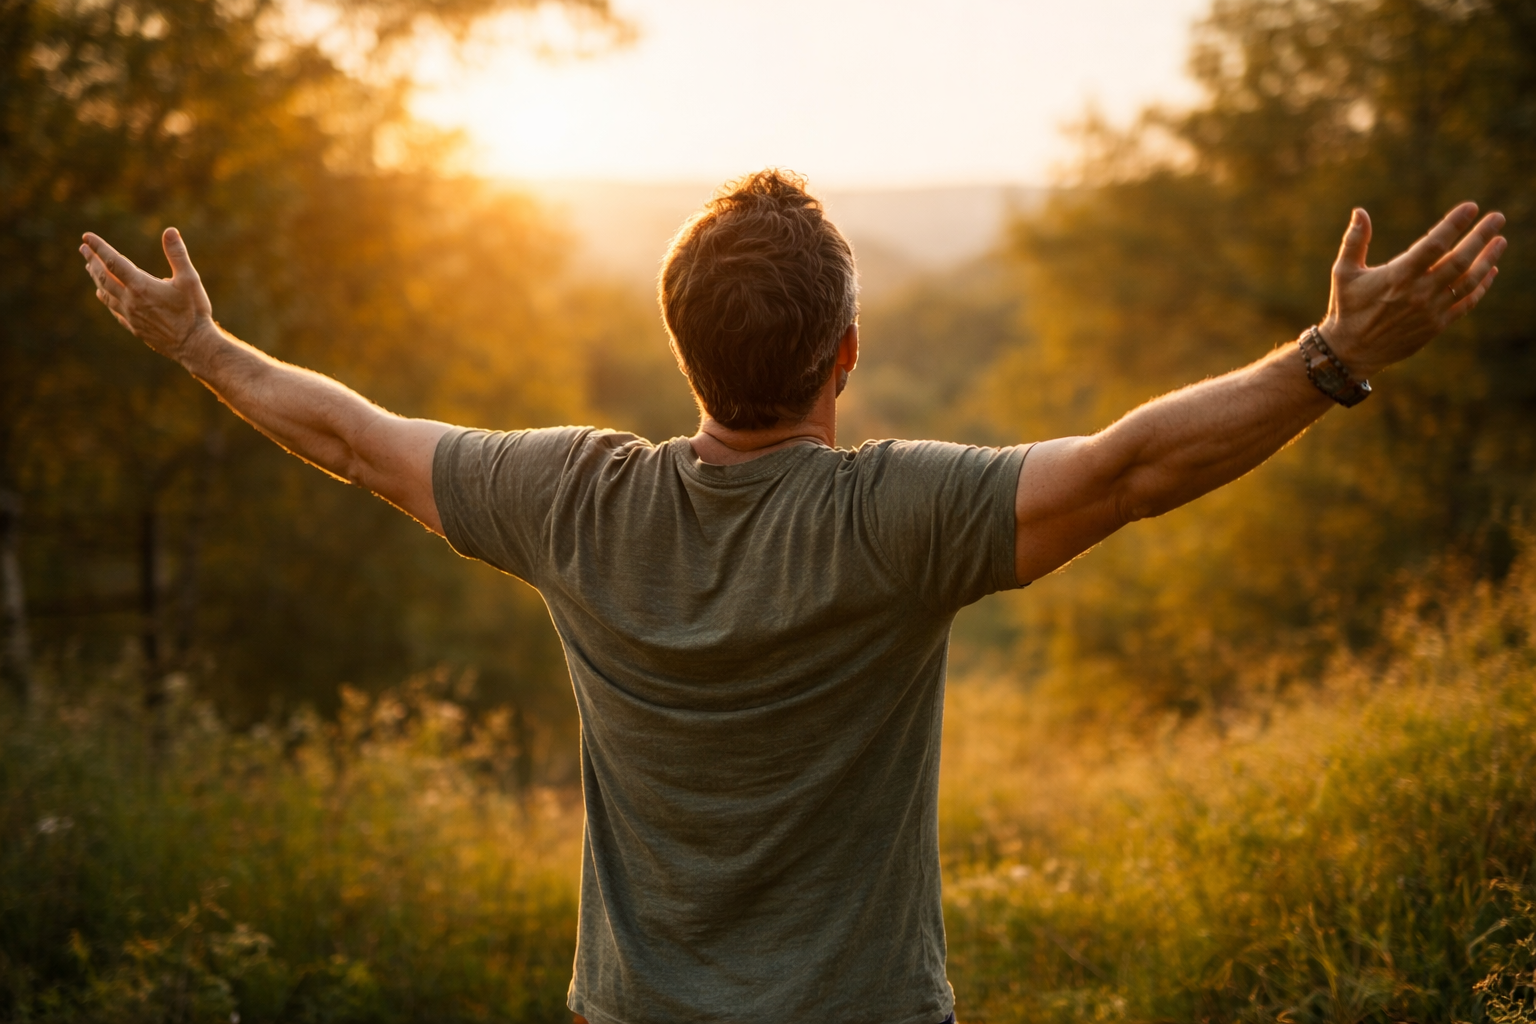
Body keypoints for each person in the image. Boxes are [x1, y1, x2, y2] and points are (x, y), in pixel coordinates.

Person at [80, 169, 1505, 1024]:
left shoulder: (573, 500)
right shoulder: (895, 518)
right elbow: (1132, 470)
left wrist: (200, 343)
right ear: (847, 358)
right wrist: (1328, 356)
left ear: (682, 349)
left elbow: (350, 438)